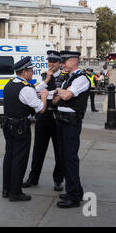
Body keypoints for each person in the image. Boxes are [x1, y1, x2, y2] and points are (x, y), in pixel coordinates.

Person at [1, 57, 49, 202]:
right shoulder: (25, 88)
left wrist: (45, 81)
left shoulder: (10, 84)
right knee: (19, 159)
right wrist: (44, 97)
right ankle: (15, 193)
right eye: (31, 71)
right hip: (21, 127)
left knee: (9, 157)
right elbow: (41, 109)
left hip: (8, 125)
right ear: (24, 72)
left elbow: (31, 90)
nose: (33, 73)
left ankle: (7, 189)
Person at [23, 50, 67, 192]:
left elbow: (62, 95)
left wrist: (47, 94)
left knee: (59, 150)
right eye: (49, 61)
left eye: (54, 62)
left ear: (60, 64)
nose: (51, 64)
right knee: (38, 150)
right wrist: (47, 86)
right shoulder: (43, 76)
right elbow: (34, 93)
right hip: (43, 117)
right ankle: (33, 178)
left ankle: (58, 180)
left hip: (57, 117)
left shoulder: (65, 77)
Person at [52, 51, 90, 208]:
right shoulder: (68, 79)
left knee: (70, 158)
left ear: (74, 61)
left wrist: (58, 91)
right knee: (64, 158)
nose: (62, 64)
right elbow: (56, 100)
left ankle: (73, 197)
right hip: (62, 121)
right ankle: (75, 190)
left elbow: (66, 96)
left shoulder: (81, 78)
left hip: (71, 124)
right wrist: (59, 93)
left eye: (64, 61)